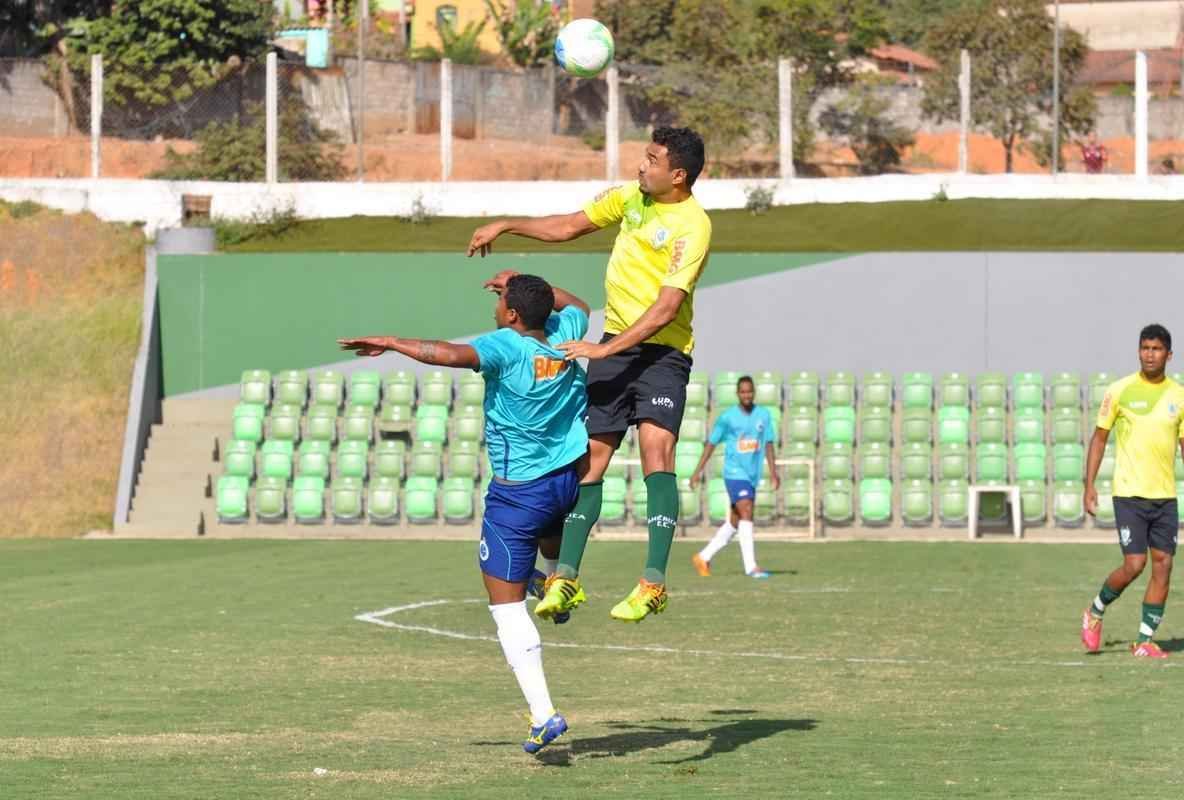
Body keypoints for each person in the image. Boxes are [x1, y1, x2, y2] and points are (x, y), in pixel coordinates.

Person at [467, 126, 711, 623]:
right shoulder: (629, 199)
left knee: (656, 451)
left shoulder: (694, 225)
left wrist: (604, 348)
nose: (641, 166)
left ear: (678, 174)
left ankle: (653, 583)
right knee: (591, 459)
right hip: (616, 348)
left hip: (661, 353)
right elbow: (568, 226)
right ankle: (566, 579)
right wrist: (506, 225)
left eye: (652, 159)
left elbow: (666, 309)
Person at [338, 273, 591, 753]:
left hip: (518, 494)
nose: (496, 307)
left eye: (502, 302)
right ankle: (557, 580)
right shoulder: (568, 332)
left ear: (513, 315)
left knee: (505, 606)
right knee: (546, 537)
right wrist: (522, 283)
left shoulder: (504, 346)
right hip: (566, 481)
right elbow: (575, 300)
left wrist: (391, 342)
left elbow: (449, 354)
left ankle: (544, 715)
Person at [1080, 324, 1184, 659]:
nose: (1149, 354)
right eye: (1144, 348)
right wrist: (1089, 485)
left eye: (1156, 349)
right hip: (1129, 494)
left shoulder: (1179, 396)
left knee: (1164, 563)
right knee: (1135, 564)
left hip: (1165, 495)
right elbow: (1099, 438)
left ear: (1169, 354)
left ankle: (1144, 640)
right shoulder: (1120, 390)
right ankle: (1095, 611)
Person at [687, 376, 779, 579]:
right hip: (734, 473)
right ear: (738, 393)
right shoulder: (728, 417)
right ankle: (751, 567)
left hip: (752, 474)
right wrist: (697, 471)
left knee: (735, 521)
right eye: (743, 391)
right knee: (747, 511)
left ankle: (703, 557)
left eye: (749, 391)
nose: (747, 395)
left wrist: (773, 471)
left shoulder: (763, 415)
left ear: (753, 392)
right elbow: (711, 443)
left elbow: (769, 443)